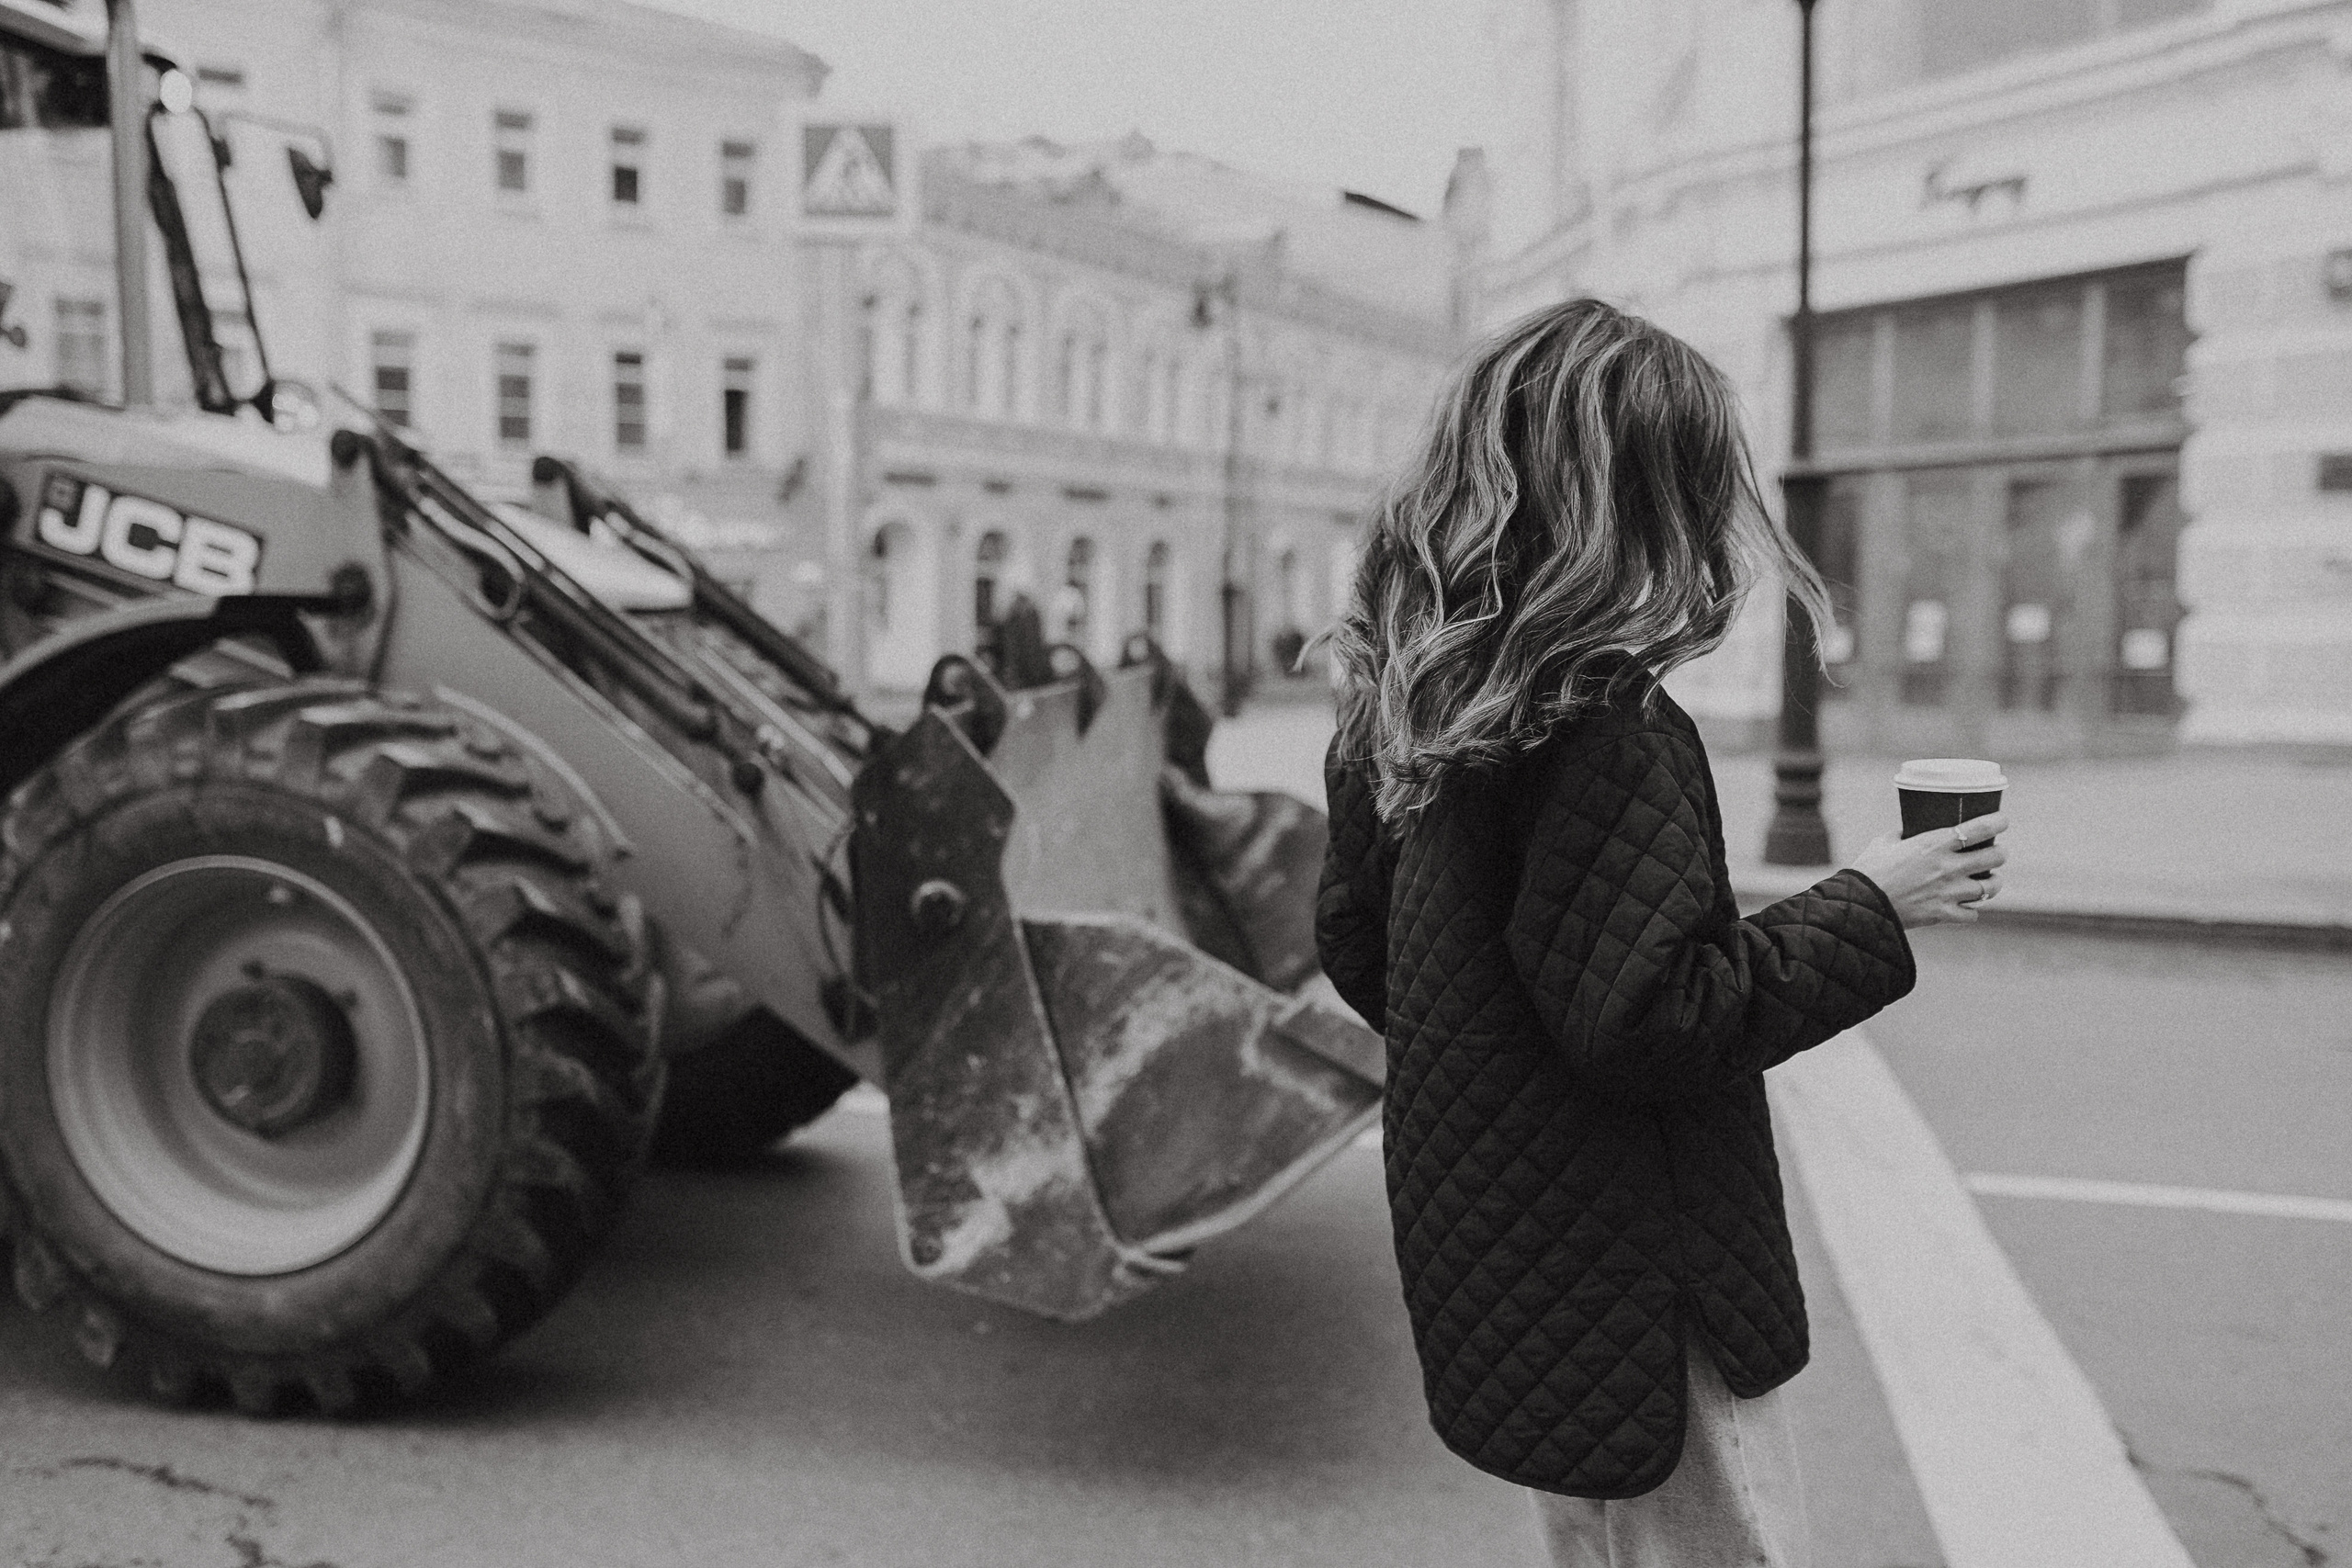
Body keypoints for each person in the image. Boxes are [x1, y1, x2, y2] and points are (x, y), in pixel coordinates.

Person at [1314, 299, 2007, 1567]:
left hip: (1499, 1244)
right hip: (1634, 1269)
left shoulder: (1406, 691)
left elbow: (1365, 952)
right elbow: (1657, 1021)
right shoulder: (1606, 721)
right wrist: (1875, 901)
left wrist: (1501, 1070)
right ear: (1645, 496)